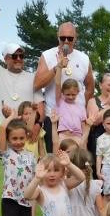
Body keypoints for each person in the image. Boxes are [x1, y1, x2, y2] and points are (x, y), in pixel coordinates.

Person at [0, 0, 44, 132]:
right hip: (4, 133)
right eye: (14, 56)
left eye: (21, 56)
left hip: (27, 133)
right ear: (6, 58)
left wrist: (38, 125)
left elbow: (40, 106)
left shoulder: (33, 77)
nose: (18, 59)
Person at [33, 21, 95, 152]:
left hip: (78, 121)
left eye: (70, 38)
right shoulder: (47, 55)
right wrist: (57, 67)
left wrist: (81, 107)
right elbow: (37, 84)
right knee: (56, 163)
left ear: (76, 38)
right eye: (63, 38)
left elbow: (90, 87)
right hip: (54, 119)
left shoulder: (84, 58)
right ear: (57, 36)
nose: (66, 41)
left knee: (78, 161)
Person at [54, 51, 89, 145]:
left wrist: (84, 142)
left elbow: (83, 126)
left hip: (77, 137)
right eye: (67, 94)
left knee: (77, 159)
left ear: (78, 92)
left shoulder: (81, 107)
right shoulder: (60, 102)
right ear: (62, 93)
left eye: (73, 95)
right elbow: (57, 83)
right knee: (62, 158)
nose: (70, 97)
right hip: (63, 136)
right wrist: (59, 67)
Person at [87, 72, 110, 161]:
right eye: (109, 85)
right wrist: (108, 104)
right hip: (98, 147)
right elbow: (94, 121)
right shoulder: (93, 101)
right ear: (100, 85)